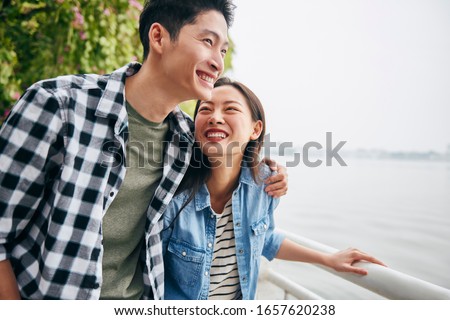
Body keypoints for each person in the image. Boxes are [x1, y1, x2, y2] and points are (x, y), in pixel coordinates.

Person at [0, 0, 288, 300]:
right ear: (159, 37)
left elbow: (231, 158)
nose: (218, 62)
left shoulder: (186, 139)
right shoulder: (59, 105)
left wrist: (270, 171)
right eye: (207, 42)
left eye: (223, 50)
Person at [162, 77, 386, 300]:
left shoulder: (264, 185)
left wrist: (327, 259)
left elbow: (265, 239)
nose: (215, 117)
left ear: (255, 129)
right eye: (206, 109)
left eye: (230, 109)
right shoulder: (172, 189)